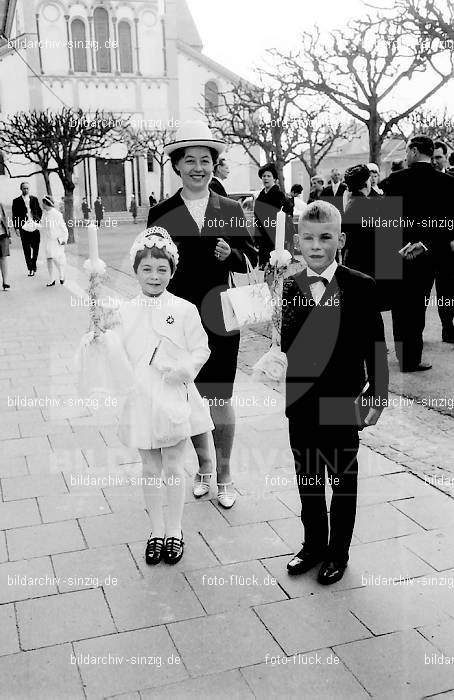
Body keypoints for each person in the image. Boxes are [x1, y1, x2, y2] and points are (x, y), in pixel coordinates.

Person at [147, 120, 258, 508]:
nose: (198, 167)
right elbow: (151, 267)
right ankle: (204, 468)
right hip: (177, 320)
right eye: (190, 160)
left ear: (214, 163)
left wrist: (234, 255)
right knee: (190, 398)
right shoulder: (161, 212)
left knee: (219, 396)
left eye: (206, 160)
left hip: (220, 314)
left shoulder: (229, 208)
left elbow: (253, 259)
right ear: (176, 165)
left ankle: (225, 473)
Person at [282, 201, 389, 585]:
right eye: (308, 238)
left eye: (325, 237)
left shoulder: (361, 285)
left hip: (343, 400)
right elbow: (284, 345)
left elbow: (376, 344)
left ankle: (338, 552)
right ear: (296, 242)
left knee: (343, 477)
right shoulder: (288, 285)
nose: (316, 245)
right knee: (307, 477)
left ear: (340, 239)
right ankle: (313, 545)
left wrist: (378, 394)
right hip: (301, 401)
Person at [381, 135, 454, 365]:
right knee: (419, 306)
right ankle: (412, 358)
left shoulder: (395, 180)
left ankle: (405, 357)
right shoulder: (447, 183)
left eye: (406, 150)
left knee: (402, 306)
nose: (405, 155)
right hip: (432, 254)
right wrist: (425, 244)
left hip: (401, 253)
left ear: (413, 151)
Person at [253, 163, 294, 268]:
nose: (266, 178)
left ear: (274, 178)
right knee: (266, 269)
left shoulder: (279, 195)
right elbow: (256, 218)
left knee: (276, 268)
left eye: (269, 176)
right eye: (264, 176)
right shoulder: (260, 196)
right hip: (263, 238)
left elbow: (287, 214)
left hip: (276, 238)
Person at [12, 182, 42, 276]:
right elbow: (15, 215)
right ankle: (30, 268)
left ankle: (33, 263)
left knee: (36, 247)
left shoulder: (34, 199)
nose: (26, 190)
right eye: (24, 188)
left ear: (29, 189)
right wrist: (17, 228)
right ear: (21, 189)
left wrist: (37, 220)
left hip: (34, 226)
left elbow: (39, 211)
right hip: (23, 227)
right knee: (26, 249)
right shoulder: (16, 201)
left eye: (27, 188)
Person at [38, 195, 69, 287]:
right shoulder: (44, 214)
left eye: (43, 203)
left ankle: (61, 274)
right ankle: (51, 279)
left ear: (46, 203)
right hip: (48, 240)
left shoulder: (57, 214)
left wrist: (64, 239)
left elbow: (64, 228)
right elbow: (42, 226)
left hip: (56, 240)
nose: (42, 205)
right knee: (49, 258)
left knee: (56, 259)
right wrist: (34, 225)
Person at [0, 202, 11, 290]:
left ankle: (5, 282)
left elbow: (5, 219)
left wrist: (9, 234)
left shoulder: (0, 204)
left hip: (3, 234)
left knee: (3, 257)